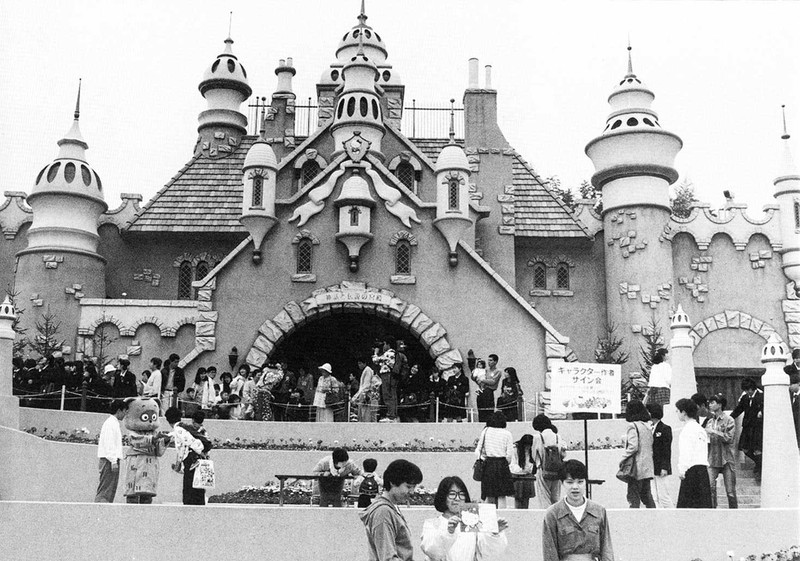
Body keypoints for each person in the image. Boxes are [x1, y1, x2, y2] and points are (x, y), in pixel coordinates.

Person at [420, 475, 509, 561]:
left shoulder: (472, 522)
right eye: (452, 494)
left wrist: (494, 533)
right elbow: (432, 552)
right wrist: (449, 532)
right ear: (443, 497)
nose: (457, 498)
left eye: (461, 494)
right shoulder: (432, 524)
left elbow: (488, 554)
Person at [542, 459, 614, 561]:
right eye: (570, 482)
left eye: (580, 482)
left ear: (585, 482)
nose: (575, 487)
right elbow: (550, 554)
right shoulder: (553, 514)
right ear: (562, 483)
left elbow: (607, 549)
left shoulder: (599, 511)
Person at [360, 459, 423, 561]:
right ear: (393, 482)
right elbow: (388, 558)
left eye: (414, 487)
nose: (412, 492)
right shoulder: (383, 512)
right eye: (408, 486)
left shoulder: (390, 508)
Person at [165, 407, 211, 505]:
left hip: (191, 460)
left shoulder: (178, 429)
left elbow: (187, 443)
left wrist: (199, 451)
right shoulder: (185, 426)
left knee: (189, 489)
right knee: (198, 487)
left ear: (168, 420)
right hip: (197, 460)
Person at [675, 397, 712, 508]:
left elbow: (686, 452)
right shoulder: (700, 429)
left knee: (688, 509)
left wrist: (682, 470)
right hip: (702, 471)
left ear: (684, 412)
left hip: (691, 472)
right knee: (702, 506)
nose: (677, 413)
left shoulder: (687, 430)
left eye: (677, 411)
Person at [619, 400, 656, 508]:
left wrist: (623, 458)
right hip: (647, 466)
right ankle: (654, 517)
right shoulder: (647, 426)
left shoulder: (632, 426)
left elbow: (633, 446)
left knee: (633, 496)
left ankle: (633, 520)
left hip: (636, 467)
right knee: (647, 496)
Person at [475, 411, 515, 508]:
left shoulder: (486, 431)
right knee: (502, 494)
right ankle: (502, 515)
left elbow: (478, 450)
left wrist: (483, 459)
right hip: (502, 464)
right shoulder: (507, 434)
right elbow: (509, 454)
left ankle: (489, 518)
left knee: (489, 494)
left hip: (488, 464)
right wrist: (506, 463)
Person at [705, 393, 737, 508]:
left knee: (730, 491)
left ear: (720, 404)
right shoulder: (710, 421)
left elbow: (729, 438)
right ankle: (713, 511)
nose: (710, 405)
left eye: (713, 402)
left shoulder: (729, 420)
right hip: (712, 458)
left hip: (726, 458)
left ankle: (735, 514)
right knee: (710, 487)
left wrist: (714, 432)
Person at [730, 377, 764, 482]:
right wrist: (729, 418)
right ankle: (760, 464)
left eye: (750, 389)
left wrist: (762, 411)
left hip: (757, 427)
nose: (748, 392)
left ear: (753, 388)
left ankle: (759, 467)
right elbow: (738, 410)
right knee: (744, 448)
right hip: (747, 427)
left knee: (757, 450)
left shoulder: (761, 396)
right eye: (746, 390)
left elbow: (767, 407)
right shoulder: (745, 398)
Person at [95, 399, 128, 503]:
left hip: (111, 459)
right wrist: (113, 461)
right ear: (119, 410)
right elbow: (109, 443)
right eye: (124, 411)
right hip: (109, 460)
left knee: (110, 489)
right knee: (106, 488)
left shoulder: (113, 423)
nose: (125, 414)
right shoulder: (110, 423)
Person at [532, 414, 565, 508]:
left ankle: (547, 519)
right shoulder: (558, 436)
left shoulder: (538, 437)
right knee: (555, 498)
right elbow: (562, 454)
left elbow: (534, 455)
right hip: (557, 470)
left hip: (543, 469)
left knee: (544, 497)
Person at [645, 402, 674, 508]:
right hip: (651, 466)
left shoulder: (665, 428)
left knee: (664, 496)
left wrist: (664, 467)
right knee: (653, 496)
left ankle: (672, 516)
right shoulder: (649, 428)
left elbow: (666, 450)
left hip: (661, 466)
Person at [509, 434, 536, 509]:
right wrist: (522, 470)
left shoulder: (531, 449)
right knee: (518, 498)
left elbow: (531, 463)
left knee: (526, 498)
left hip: (527, 477)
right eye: (526, 446)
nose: (528, 448)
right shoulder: (515, 449)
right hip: (517, 477)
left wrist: (529, 470)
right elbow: (512, 464)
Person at [474, 355, 501, 423]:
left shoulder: (497, 371)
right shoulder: (485, 370)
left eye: (491, 360)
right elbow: (477, 378)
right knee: (480, 410)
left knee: (488, 411)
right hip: (481, 390)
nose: (489, 362)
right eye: (488, 360)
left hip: (489, 391)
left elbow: (493, 382)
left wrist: (483, 380)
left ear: (495, 362)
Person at [375, 340, 398, 422]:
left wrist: (375, 353)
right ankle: (393, 414)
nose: (383, 346)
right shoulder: (393, 354)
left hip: (386, 375)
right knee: (392, 394)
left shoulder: (389, 353)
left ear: (388, 344)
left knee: (387, 394)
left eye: (384, 344)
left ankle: (390, 415)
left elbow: (376, 360)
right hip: (390, 375)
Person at [352, 358, 381, 423]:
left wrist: (358, 395)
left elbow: (366, 385)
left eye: (360, 363)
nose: (359, 365)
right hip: (365, 394)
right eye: (358, 364)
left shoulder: (367, 370)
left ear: (364, 363)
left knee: (366, 414)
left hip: (367, 395)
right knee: (364, 414)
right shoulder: (365, 370)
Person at [784, 349, 800, 448]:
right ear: (794, 359)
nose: (799, 360)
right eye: (797, 358)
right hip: (791, 397)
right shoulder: (788, 370)